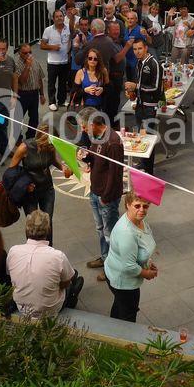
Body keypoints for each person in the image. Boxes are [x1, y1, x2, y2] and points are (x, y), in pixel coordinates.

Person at [7, 210, 84, 319]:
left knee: (66, 274)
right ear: (48, 231)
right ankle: (72, 296)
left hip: (22, 307)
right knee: (70, 279)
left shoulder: (13, 251)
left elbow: (11, 275)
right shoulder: (57, 256)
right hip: (50, 309)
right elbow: (65, 282)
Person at [77, 107, 124, 281]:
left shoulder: (113, 142)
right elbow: (97, 158)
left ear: (94, 123)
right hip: (95, 191)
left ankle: (113, 267)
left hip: (106, 196)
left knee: (110, 234)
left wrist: (106, 197)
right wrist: (86, 157)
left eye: (84, 126)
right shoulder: (96, 137)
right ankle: (105, 258)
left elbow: (115, 173)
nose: (82, 129)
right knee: (100, 229)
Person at [10, 124, 71, 244]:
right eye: (47, 144)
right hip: (30, 191)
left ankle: (48, 249)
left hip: (47, 188)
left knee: (47, 221)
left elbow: (52, 160)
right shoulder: (24, 148)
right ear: (40, 140)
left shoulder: (50, 146)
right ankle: (31, 250)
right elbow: (11, 171)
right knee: (33, 224)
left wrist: (63, 168)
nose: (50, 147)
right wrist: (24, 185)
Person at [104, 192, 158, 322]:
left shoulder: (139, 221)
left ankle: (112, 327)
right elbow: (128, 266)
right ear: (127, 205)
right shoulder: (126, 233)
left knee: (119, 306)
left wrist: (147, 262)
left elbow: (142, 245)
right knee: (128, 315)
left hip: (119, 274)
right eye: (137, 206)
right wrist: (146, 273)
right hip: (124, 282)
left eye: (145, 206)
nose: (141, 210)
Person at [124, 37, 162, 174]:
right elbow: (138, 85)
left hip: (150, 107)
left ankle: (149, 171)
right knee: (142, 137)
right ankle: (142, 164)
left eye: (140, 48)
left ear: (146, 48)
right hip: (140, 105)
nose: (137, 52)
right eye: (134, 49)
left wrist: (136, 86)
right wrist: (132, 93)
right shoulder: (139, 63)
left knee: (148, 139)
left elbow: (156, 88)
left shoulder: (154, 63)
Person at [41, 9, 73, 111]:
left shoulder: (68, 28)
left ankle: (62, 100)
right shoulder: (48, 30)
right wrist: (52, 47)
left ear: (63, 17)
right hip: (52, 62)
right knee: (51, 83)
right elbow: (42, 45)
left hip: (65, 61)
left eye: (61, 16)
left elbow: (72, 40)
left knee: (63, 83)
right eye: (57, 16)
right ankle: (51, 102)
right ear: (53, 19)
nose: (59, 18)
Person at [14, 43, 46, 140]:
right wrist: (27, 66)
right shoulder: (16, 64)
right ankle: (17, 139)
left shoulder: (35, 61)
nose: (28, 55)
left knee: (34, 119)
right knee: (18, 119)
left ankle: (30, 138)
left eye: (30, 52)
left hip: (34, 93)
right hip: (22, 94)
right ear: (19, 53)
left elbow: (39, 78)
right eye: (25, 53)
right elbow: (22, 81)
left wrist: (42, 94)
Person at [69, 16, 92, 91]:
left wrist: (85, 43)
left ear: (89, 26)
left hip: (87, 68)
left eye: (85, 25)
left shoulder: (92, 37)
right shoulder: (74, 35)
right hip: (76, 67)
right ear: (79, 25)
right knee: (75, 91)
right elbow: (75, 53)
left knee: (86, 90)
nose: (83, 27)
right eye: (81, 25)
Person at [123, 11, 145, 82]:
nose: (129, 20)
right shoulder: (126, 29)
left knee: (135, 82)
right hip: (127, 61)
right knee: (129, 82)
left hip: (136, 62)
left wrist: (147, 35)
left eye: (132, 18)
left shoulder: (140, 29)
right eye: (128, 18)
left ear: (136, 19)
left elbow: (148, 42)